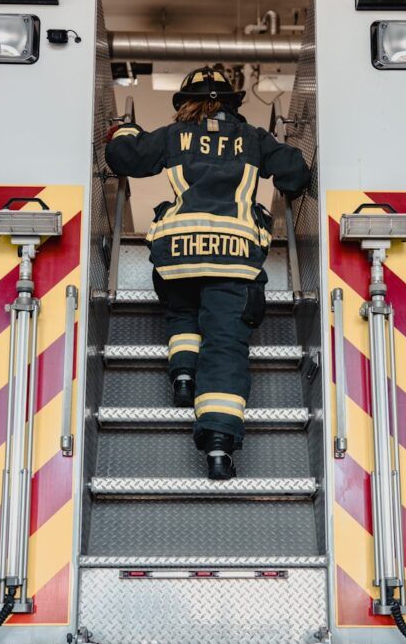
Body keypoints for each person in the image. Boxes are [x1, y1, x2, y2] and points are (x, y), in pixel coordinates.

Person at [105, 66, 311, 480]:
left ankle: (183, 373)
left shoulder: (172, 135)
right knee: (224, 343)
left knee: (182, 311)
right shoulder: (254, 139)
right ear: (234, 104)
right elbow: (295, 172)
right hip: (234, 258)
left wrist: (125, 130)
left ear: (185, 103)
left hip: (177, 253)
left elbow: (124, 156)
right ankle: (218, 444)